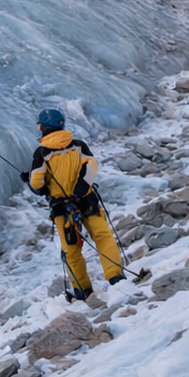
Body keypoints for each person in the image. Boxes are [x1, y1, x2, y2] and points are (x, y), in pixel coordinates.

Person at [23, 108, 125, 300]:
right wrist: (78, 191)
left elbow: (37, 183)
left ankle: (83, 290)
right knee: (103, 236)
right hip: (87, 201)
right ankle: (116, 277)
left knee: (71, 249)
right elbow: (90, 169)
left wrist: (32, 184)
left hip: (63, 209)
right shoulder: (79, 145)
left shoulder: (42, 153)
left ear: (43, 127)